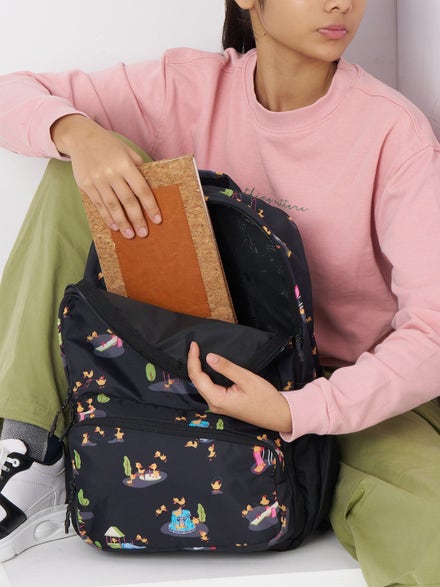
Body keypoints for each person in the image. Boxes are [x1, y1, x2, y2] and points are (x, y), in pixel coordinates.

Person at [0, 0, 439, 584]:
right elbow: (11, 92)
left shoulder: (392, 131)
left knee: (427, 531)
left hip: (347, 389)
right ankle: (34, 449)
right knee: (71, 171)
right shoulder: (188, 88)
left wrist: (295, 409)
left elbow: (433, 333)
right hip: (210, 366)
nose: (341, 3)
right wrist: (77, 134)